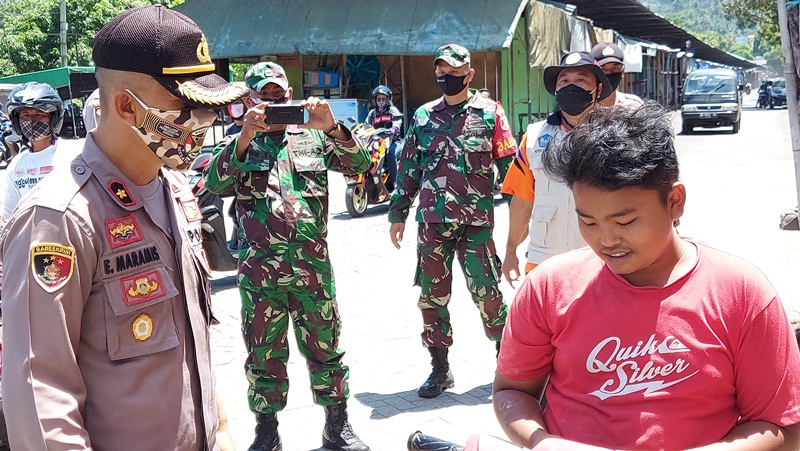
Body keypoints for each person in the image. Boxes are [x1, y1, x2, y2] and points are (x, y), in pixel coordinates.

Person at [0, 5, 250, 449]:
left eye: (209, 109)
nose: (203, 123)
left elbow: (190, 340)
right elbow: (41, 396)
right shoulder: (60, 218)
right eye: (187, 108)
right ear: (125, 106)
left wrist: (222, 427)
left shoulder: (175, 189)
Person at [494, 103, 800, 450]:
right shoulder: (548, 287)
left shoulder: (742, 294)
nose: (606, 240)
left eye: (625, 222)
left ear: (675, 201)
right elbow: (511, 391)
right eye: (588, 221)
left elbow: (783, 426)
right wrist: (542, 441)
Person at [203, 61, 372, 451]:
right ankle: (267, 432)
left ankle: (337, 427)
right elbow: (214, 183)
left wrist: (331, 126)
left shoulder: (312, 138)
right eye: (266, 95)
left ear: (290, 95)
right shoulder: (240, 141)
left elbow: (360, 165)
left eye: (280, 94)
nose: (275, 101)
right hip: (261, 275)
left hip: (312, 270)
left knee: (327, 349)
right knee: (263, 355)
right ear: (251, 99)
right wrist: (244, 136)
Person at [388, 43, 517, 398]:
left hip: (476, 224)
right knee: (432, 298)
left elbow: (509, 169)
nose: (447, 78)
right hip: (432, 223)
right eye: (441, 73)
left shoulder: (490, 113)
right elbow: (409, 167)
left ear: (469, 74)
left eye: (455, 73)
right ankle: (440, 368)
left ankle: (509, 365)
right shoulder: (423, 116)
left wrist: (522, 221)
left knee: (488, 294)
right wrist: (397, 213)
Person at [501, 51, 612, 286]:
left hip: (599, 261)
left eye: (581, 80)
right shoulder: (533, 138)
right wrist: (511, 251)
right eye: (564, 81)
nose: (571, 87)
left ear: (598, 90)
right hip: (543, 260)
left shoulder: (615, 138)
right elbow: (522, 200)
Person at [2, 81, 75, 221]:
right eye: (25, 116)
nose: (32, 121)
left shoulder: (71, 157)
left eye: (39, 115)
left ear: (53, 118)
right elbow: (9, 215)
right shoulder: (16, 165)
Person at [364, 84, 402, 192]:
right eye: (379, 98)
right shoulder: (372, 113)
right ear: (375, 100)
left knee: (391, 154)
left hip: (393, 141)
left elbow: (398, 121)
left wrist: (394, 128)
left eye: (383, 98)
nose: (381, 101)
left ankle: (395, 184)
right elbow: (366, 126)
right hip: (377, 142)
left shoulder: (392, 111)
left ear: (388, 100)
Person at [590, 42, 643, 107]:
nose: (609, 73)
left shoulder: (633, 106)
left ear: (622, 72)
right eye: (603, 69)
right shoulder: (583, 108)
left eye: (615, 68)